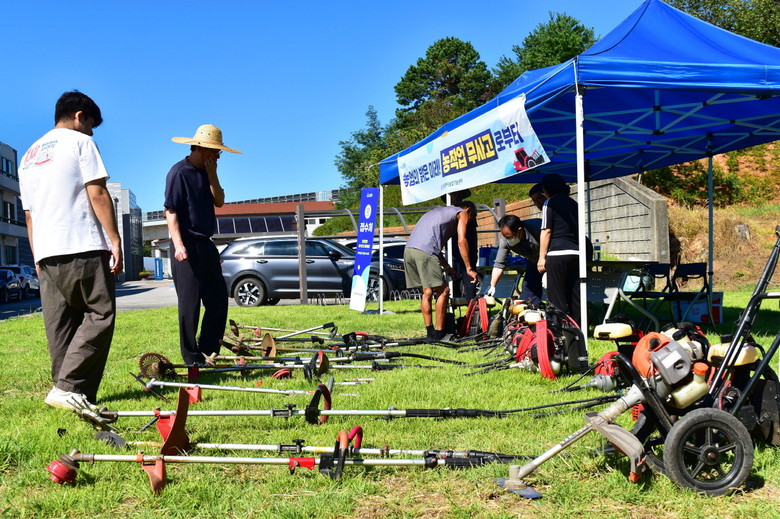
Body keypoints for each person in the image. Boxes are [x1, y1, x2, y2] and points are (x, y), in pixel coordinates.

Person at [19, 91, 123, 411]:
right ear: (79, 116)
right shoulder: (81, 142)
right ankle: (69, 388)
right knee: (100, 314)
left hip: (46, 251)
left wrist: (37, 255)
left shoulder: (29, 155)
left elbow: (29, 214)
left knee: (61, 325)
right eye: (91, 124)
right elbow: (97, 192)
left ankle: (68, 394)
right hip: (81, 243)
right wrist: (115, 240)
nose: (91, 132)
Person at [165, 125, 241, 364]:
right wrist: (178, 245)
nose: (217, 156)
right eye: (215, 152)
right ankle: (191, 358)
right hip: (185, 244)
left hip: (206, 243)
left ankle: (208, 349)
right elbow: (171, 211)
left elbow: (219, 201)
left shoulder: (208, 171)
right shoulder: (179, 172)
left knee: (218, 299)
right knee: (190, 304)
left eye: (219, 152)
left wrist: (213, 174)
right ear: (200, 148)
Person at [404, 201, 478, 341]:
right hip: (425, 252)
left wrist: (447, 267)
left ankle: (430, 333)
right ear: (468, 210)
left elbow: (434, 247)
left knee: (427, 292)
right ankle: (440, 333)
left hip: (409, 250)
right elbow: (461, 241)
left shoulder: (439, 212)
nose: (467, 223)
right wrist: (469, 268)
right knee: (443, 291)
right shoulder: (462, 213)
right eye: (470, 220)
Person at [537, 173, 584, 326]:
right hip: (576, 253)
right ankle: (578, 328)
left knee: (556, 297)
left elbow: (546, 230)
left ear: (547, 189)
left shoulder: (549, 203)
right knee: (575, 294)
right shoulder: (574, 204)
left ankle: (559, 329)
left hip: (557, 253)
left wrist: (541, 257)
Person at [486, 214, 543, 306]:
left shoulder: (538, 229)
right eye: (505, 236)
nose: (507, 239)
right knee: (528, 288)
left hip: (553, 255)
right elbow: (499, 264)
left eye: (510, 237)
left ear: (520, 230)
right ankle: (531, 309)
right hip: (534, 260)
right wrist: (492, 286)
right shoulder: (505, 240)